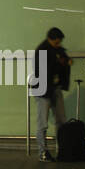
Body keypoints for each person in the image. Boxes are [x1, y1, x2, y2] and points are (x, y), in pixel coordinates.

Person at [32, 26, 72, 162]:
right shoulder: (42, 51)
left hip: (55, 88)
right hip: (43, 90)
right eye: (57, 41)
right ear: (51, 39)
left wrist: (65, 62)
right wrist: (60, 63)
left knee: (61, 120)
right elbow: (44, 70)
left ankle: (62, 149)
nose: (59, 44)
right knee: (43, 123)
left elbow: (64, 60)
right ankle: (43, 152)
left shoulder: (58, 50)